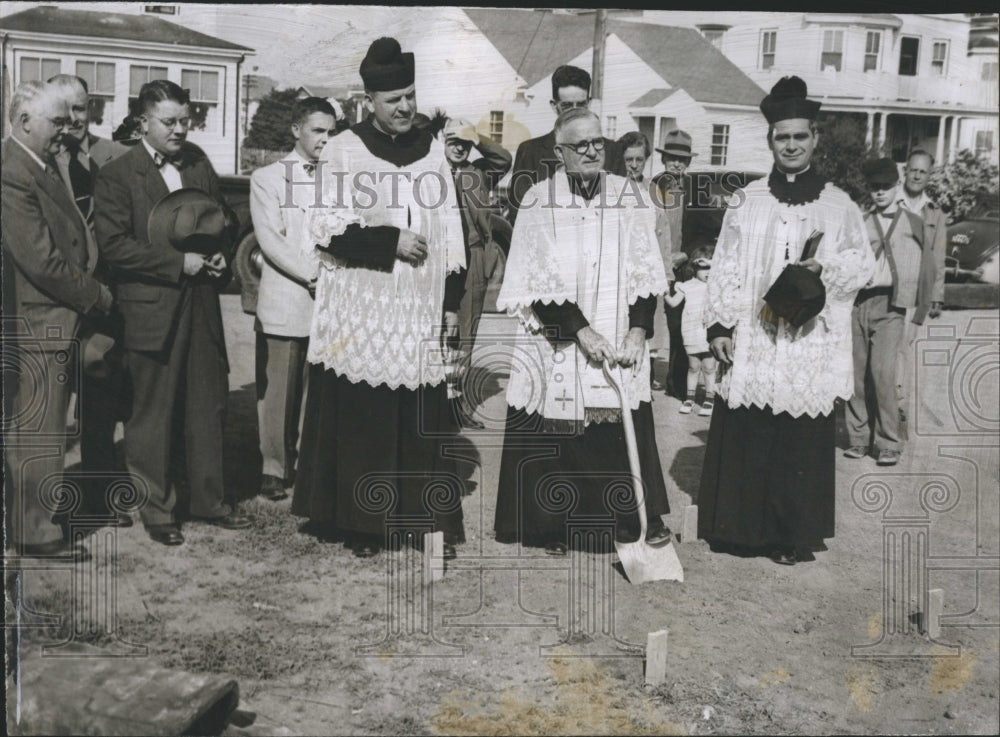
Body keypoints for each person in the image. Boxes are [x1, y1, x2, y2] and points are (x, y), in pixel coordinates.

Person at [292, 37, 467, 559]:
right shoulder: (344, 148)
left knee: (414, 408)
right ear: (370, 101)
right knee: (366, 409)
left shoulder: (432, 150)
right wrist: (390, 240)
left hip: (417, 304)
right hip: (364, 302)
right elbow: (326, 230)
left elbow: (451, 234)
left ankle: (413, 517)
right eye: (394, 100)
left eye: (411, 96)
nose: (406, 107)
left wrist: (451, 303)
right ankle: (361, 523)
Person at [697, 76, 874, 566]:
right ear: (770, 140)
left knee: (795, 435)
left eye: (800, 136)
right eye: (782, 136)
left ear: (815, 138)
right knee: (750, 427)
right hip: (754, 337)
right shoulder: (747, 201)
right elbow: (726, 267)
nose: (791, 145)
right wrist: (719, 328)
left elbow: (864, 264)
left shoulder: (838, 204)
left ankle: (789, 536)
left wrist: (825, 267)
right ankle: (739, 531)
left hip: (806, 342)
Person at [494, 108, 674, 555]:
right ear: (559, 153)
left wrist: (637, 329)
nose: (593, 151)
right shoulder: (538, 199)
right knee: (557, 422)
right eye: (581, 145)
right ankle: (551, 526)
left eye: (598, 142)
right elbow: (537, 277)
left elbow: (645, 271)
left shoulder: (630, 196)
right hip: (557, 330)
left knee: (621, 414)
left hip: (616, 326)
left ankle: (633, 520)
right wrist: (580, 331)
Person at [94, 80, 250, 547]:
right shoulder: (118, 175)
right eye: (170, 122)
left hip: (201, 302)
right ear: (143, 122)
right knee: (152, 412)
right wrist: (176, 263)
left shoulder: (199, 161)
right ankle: (157, 510)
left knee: (207, 402)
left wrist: (220, 253)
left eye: (186, 120)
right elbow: (115, 247)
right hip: (150, 307)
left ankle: (209, 500)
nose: (181, 129)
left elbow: (222, 216)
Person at [2, 81, 113, 558]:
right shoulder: (15, 172)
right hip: (41, 318)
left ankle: (34, 522)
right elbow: (41, 260)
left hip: (52, 317)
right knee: (39, 432)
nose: (64, 131)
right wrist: (96, 296)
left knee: (43, 428)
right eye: (56, 122)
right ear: (25, 122)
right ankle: (34, 531)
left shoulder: (38, 164)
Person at [48, 74, 131, 525]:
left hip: (102, 303)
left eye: (80, 109)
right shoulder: (32, 161)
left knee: (100, 401)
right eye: (63, 111)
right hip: (51, 303)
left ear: (91, 109)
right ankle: (48, 499)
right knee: (48, 409)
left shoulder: (113, 157)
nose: (73, 119)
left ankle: (102, 493)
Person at [249, 97, 337, 501]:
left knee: (314, 388)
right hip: (288, 296)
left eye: (331, 131)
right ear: (296, 130)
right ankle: (272, 467)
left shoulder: (339, 177)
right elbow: (272, 241)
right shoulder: (268, 178)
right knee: (278, 390)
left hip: (328, 298)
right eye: (318, 130)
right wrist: (314, 273)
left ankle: (304, 464)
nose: (326, 138)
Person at [845, 158, 935, 466]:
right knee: (854, 376)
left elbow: (927, 266)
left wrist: (922, 308)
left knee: (883, 374)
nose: (880, 192)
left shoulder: (913, 222)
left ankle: (888, 442)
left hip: (891, 304)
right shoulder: (860, 220)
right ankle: (857, 438)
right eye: (874, 187)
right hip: (858, 303)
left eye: (885, 186)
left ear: (896, 186)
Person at [442, 116, 512, 429]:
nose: (459, 147)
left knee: (466, 336)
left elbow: (503, 158)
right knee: (436, 332)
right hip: (436, 261)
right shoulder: (429, 171)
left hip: (472, 261)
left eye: (464, 143)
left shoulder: (476, 173)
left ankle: (456, 405)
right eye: (452, 140)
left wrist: (477, 135)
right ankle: (433, 402)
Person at [506, 64, 626, 225]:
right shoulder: (530, 151)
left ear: (589, 103)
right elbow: (520, 214)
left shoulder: (611, 151)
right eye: (567, 106)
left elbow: (622, 212)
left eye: (581, 104)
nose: (574, 112)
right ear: (554, 106)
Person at [896, 149, 947, 420]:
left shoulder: (935, 213)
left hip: (915, 293)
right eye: (913, 169)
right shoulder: (891, 202)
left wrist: (936, 295)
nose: (917, 175)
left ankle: (898, 405)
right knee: (883, 349)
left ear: (929, 176)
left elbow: (938, 257)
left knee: (905, 347)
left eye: (923, 171)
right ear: (905, 171)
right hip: (888, 287)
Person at [651, 129, 698, 401]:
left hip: (682, 267)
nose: (676, 164)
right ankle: (643, 379)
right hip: (653, 265)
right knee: (646, 323)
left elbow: (702, 230)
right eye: (672, 158)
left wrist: (686, 254)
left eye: (682, 159)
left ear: (688, 162)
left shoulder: (695, 188)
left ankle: (677, 384)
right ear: (663, 159)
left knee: (680, 326)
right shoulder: (651, 186)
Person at [618, 130, 665, 391]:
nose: (634, 165)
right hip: (621, 271)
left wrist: (665, 272)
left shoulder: (652, 190)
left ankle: (642, 378)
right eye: (629, 160)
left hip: (647, 271)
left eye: (639, 159)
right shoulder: (613, 188)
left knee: (645, 328)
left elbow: (663, 232)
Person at [664, 250, 716, 416]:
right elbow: (673, 303)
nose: (708, 272)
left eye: (711, 267)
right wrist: (664, 292)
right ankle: (689, 398)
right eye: (704, 267)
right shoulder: (685, 286)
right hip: (691, 331)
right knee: (693, 366)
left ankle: (710, 399)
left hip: (707, 330)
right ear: (694, 267)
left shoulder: (715, 286)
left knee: (709, 367)